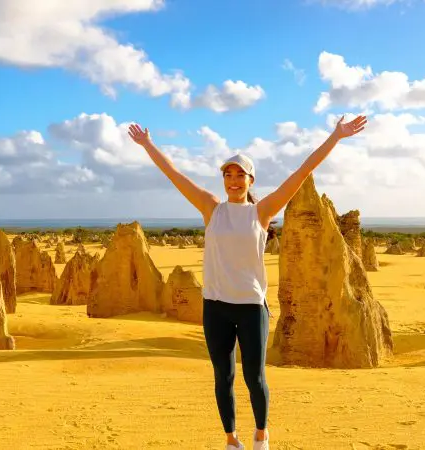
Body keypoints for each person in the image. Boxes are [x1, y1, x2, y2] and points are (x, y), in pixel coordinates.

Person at [128, 115, 368, 450]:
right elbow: (174, 175)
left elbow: (301, 173)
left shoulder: (262, 212)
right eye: (228, 174)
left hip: (252, 307)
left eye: (240, 174)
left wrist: (336, 136)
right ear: (223, 180)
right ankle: (231, 440)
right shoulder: (211, 208)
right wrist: (147, 144)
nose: (234, 179)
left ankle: (261, 435)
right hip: (215, 307)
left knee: (255, 377)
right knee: (222, 377)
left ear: (250, 179)